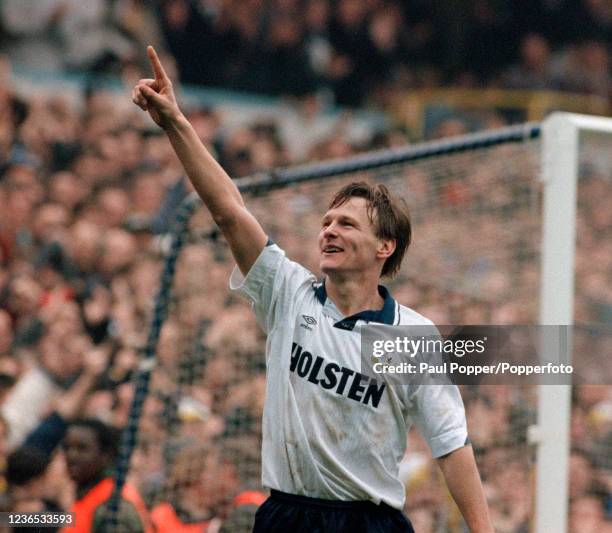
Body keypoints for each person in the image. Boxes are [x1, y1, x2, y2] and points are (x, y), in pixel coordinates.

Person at [132, 46, 493, 533]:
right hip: (287, 513)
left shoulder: (412, 336)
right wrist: (175, 122)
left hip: (370, 522)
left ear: (385, 246)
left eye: (346, 224)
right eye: (326, 222)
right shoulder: (289, 292)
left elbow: (451, 445)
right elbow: (228, 210)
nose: (328, 231)